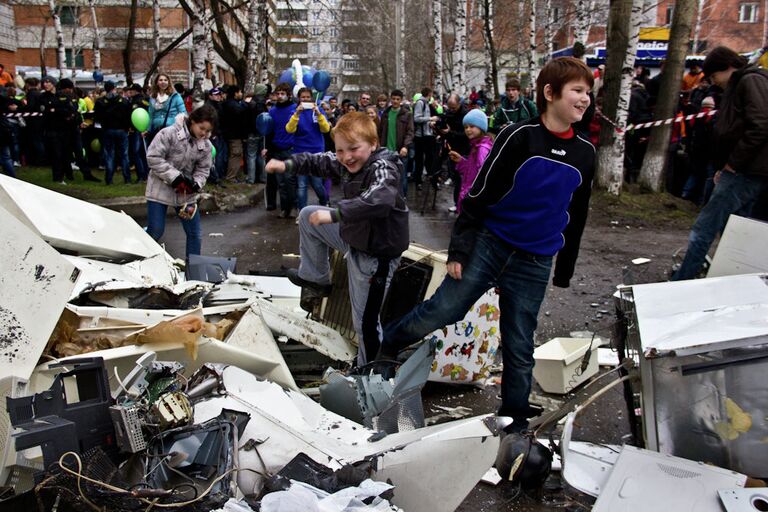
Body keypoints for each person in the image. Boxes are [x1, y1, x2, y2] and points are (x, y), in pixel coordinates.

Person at [378, 57, 596, 434]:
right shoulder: (518, 137)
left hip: (536, 258)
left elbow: (577, 214)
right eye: (577, 91)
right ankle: (389, 344)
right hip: (491, 244)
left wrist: (564, 268)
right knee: (445, 310)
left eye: (588, 93)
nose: (585, 99)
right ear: (550, 93)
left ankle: (514, 419)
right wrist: (460, 251)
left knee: (519, 341)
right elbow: (477, 197)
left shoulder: (585, 153)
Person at [265, 112, 409, 365]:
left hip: (376, 254)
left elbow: (381, 199)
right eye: (340, 150)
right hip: (356, 236)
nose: (346, 157)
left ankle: (370, 373)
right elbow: (317, 161)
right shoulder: (346, 162)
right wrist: (285, 164)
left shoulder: (383, 167)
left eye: (353, 149)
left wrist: (336, 214)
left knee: (364, 321)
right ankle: (316, 278)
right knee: (308, 215)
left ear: (373, 144)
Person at [672, 47, 768, 281]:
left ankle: (683, 279)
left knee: (705, 226)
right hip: (745, 168)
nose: (714, 82)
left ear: (725, 68)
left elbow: (761, 124)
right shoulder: (747, 82)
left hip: (745, 170)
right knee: (733, 227)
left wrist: (733, 164)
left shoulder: (749, 81)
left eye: (714, 76)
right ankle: (736, 278)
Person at [145, 104, 215, 258]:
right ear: (192, 121)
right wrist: (175, 177)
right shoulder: (169, 133)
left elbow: (203, 169)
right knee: (155, 230)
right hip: (160, 188)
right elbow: (153, 157)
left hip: (186, 193)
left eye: (208, 131)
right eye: (202, 128)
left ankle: (193, 271)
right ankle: (139, 257)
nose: (204, 133)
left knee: (195, 234)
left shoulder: (206, 146)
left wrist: (196, 183)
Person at [286, 87, 330, 210]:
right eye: (302, 97)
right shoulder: (294, 111)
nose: (305, 99)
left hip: (316, 152)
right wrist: (297, 114)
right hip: (300, 152)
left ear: (311, 98)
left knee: (317, 184)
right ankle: (301, 211)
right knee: (302, 185)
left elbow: (326, 129)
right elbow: (289, 129)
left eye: (307, 97)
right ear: (299, 99)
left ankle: (324, 201)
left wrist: (319, 114)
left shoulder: (318, 110)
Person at [448, 109, 493, 214]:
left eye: (472, 126)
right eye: (466, 127)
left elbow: (482, 175)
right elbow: (471, 170)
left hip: (475, 200)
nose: (468, 130)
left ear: (481, 128)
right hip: (472, 197)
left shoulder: (482, 149)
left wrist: (471, 196)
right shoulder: (475, 146)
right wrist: (461, 161)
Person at [263, 82, 297, 218]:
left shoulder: (294, 109)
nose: (280, 96)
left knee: (290, 180)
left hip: (290, 148)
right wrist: (267, 149)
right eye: (278, 94)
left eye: (283, 94)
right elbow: (268, 132)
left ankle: (294, 206)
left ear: (289, 95)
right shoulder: (272, 111)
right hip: (276, 149)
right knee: (280, 182)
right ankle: (284, 208)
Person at [94, 80, 132, 184]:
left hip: (107, 130)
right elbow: (129, 115)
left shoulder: (100, 102)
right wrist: (128, 127)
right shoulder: (124, 101)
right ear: (114, 88)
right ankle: (127, 179)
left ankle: (109, 179)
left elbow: (97, 117)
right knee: (124, 155)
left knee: (109, 155)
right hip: (121, 130)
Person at [377, 89, 414, 196]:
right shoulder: (386, 113)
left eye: (398, 99)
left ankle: (402, 198)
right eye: (393, 99)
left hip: (400, 151)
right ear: (390, 99)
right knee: (386, 176)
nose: (395, 101)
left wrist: (405, 146)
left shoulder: (407, 114)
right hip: (385, 151)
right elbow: (380, 131)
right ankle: (388, 198)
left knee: (401, 176)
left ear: (401, 100)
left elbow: (410, 132)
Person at [413, 87, 438, 192]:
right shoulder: (421, 103)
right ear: (429, 93)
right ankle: (418, 182)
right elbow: (417, 118)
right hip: (421, 136)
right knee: (419, 160)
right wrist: (430, 119)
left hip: (428, 135)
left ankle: (431, 180)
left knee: (430, 159)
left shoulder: (427, 103)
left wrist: (432, 123)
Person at [221, 84, 248, 183]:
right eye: (240, 92)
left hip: (230, 134)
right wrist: (246, 104)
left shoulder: (227, 103)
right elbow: (240, 113)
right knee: (236, 154)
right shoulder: (233, 105)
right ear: (235, 93)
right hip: (234, 134)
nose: (241, 94)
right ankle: (231, 177)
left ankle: (232, 175)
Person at [149, 73, 186, 139]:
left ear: (169, 82)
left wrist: (179, 127)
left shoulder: (175, 96)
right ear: (157, 82)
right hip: (157, 131)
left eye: (165, 80)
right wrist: (147, 130)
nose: (163, 82)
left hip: (172, 130)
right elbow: (151, 115)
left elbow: (183, 113)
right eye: (160, 80)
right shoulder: (153, 97)